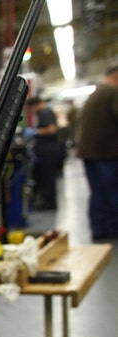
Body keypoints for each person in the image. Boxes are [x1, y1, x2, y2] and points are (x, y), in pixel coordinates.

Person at [76, 63, 118, 240]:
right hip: (105, 153)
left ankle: (99, 229)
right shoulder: (112, 92)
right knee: (111, 192)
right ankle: (112, 229)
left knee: (98, 192)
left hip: (90, 152)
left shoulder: (97, 92)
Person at [25, 97, 62, 210]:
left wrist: (35, 131)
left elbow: (51, 129)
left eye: (30, 109)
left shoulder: (46, 112)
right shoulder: (43, 114)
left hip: (49, 152)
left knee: (48, 179)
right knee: (45, 178)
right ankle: (48, 202)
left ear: (35, 105)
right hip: (46, 151)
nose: (31, 112)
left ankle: (50, 204)